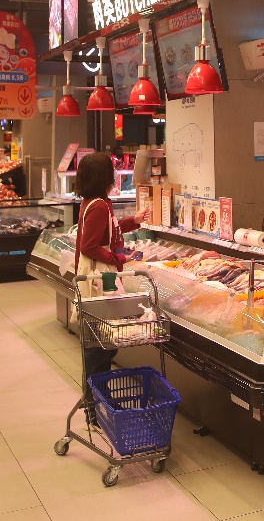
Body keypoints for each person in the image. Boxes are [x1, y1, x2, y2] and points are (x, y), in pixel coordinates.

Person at [71, 152, 148, 397]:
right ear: (103, 175)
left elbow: (110, 230)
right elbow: (89, 246)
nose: (115, 173)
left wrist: (133, 221)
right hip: (99, 280)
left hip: (98, 278)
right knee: (98, 345)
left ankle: (98, 401)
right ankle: (94, 403)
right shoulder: (99, 206)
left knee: (102, 343)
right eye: (111, 169)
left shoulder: (96, 202)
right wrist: (118, 259)